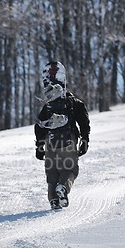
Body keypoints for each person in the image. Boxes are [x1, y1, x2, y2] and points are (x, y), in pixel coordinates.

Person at [34, 61, 90, 210]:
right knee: (69, 169)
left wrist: (39, 147)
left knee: (52, 173)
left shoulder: (48, 106)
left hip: (50, 142)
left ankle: (53, 199)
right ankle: (63, 188)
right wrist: (84, 141)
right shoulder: (75, 103)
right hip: (68, 141)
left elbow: (39, 126)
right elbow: (84, 123)